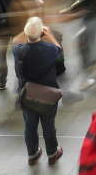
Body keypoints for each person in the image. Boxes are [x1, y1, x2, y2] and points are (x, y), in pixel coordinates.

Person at [12, 16, 65, 165]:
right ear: (42, 32)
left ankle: (32, 154)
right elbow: (59, 49)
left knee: (30, 126)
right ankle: (52, 153)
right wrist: (48, 34)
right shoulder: (50, 49)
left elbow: (15, 40)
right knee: (48, 125)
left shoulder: (18, 51)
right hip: (48, 95)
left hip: (28, 95)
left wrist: (27, 30)